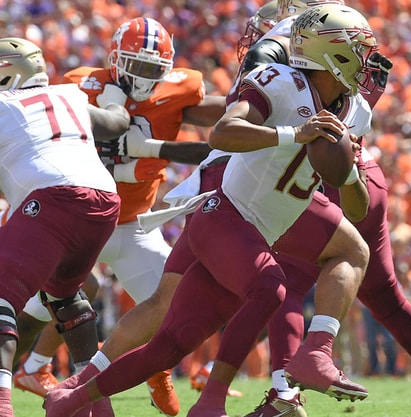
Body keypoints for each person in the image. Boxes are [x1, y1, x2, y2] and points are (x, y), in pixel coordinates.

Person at [43, 4, 375, 417]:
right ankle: (218, 400)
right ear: (332, 52)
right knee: (270, 287)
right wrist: (296, 133)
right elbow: (223, 131)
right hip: (225, 214)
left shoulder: (358, 112)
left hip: (259, 230)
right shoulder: (284, 81)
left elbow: (357, 208)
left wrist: (349, 173)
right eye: (358, 50)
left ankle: (69, 400)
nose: (367, 62)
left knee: (169, 345)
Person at [237, 1, 411, 416]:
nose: (269, 36)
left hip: (335, 181)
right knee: (386, 299)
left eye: (279, 28)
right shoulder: (325, 71)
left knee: (287, 286)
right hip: (353, 175)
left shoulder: (291, 68)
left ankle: (285, 395)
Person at [12, 16, 226, 416]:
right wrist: (139, 152)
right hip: (85, 218)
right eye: (137, 64)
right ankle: (33, 368)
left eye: (152, 69)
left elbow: (214, 115)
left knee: (175, 301)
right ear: (114, 57)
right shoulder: (83, 84)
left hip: (134, 223)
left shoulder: (180, 89)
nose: (144, 76)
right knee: (58, 299)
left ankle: (154, 369)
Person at [0, 37, 130, 416]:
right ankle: (93, 405)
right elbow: (116, 122)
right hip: (104, 201)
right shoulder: (70, 96)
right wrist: (115, 95)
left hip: (55, 198)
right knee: (66, 298)